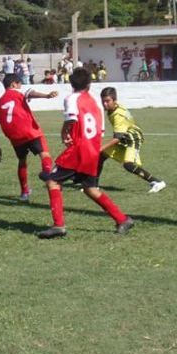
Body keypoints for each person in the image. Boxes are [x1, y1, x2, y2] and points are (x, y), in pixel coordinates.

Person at [36, 68, 134, 239]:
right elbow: (101, 131)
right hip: (92, 151)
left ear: (71, 83)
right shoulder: (97, 104)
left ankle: (58, 226)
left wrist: (64, 134)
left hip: (78, 150)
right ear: (89, 84)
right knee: (90, 189)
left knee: (52, 182)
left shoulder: (72, 98)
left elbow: (71, 119)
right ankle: (122, 219)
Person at [0, 74, 59, 201]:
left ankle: (24, 192)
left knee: (22, 162)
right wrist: (46, 96)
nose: (20, 86)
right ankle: (47, 173)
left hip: (15, 138)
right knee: (45, 155)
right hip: (30, 131)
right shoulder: (18, 93)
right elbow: (30, 93)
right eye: (19, 83)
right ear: (13, 84)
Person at [99, 87, 166, 193]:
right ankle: (92, 184)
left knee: (128, 165)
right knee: (102, 155)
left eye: (107, 101)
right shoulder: (114, 109)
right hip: (125, 138)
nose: (105, 104)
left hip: (133, 139)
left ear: (115, 101)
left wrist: (101, 147)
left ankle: (157, 182)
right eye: (103, 101)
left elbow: (117, 138)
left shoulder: (117, 115)